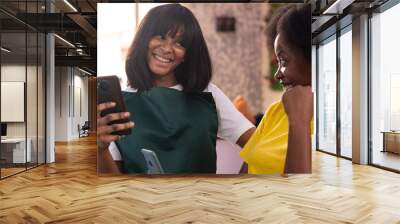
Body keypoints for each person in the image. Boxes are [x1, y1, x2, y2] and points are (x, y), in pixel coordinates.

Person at [97, 4, 255, 174]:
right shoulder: (120, 104)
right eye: (160, 37)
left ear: (187, 54)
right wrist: (101, 149)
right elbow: (113, 182)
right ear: (144, 40)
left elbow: (260, 145)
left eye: (179, 43)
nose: (166, 49)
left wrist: (239, 186)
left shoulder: (208, 95)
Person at [240, 4, 314, 174]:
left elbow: (300, 194)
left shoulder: (338, 128)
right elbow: (244, 173)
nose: (277, 75)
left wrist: (299, 123)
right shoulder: (275, 111)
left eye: (284, 61)